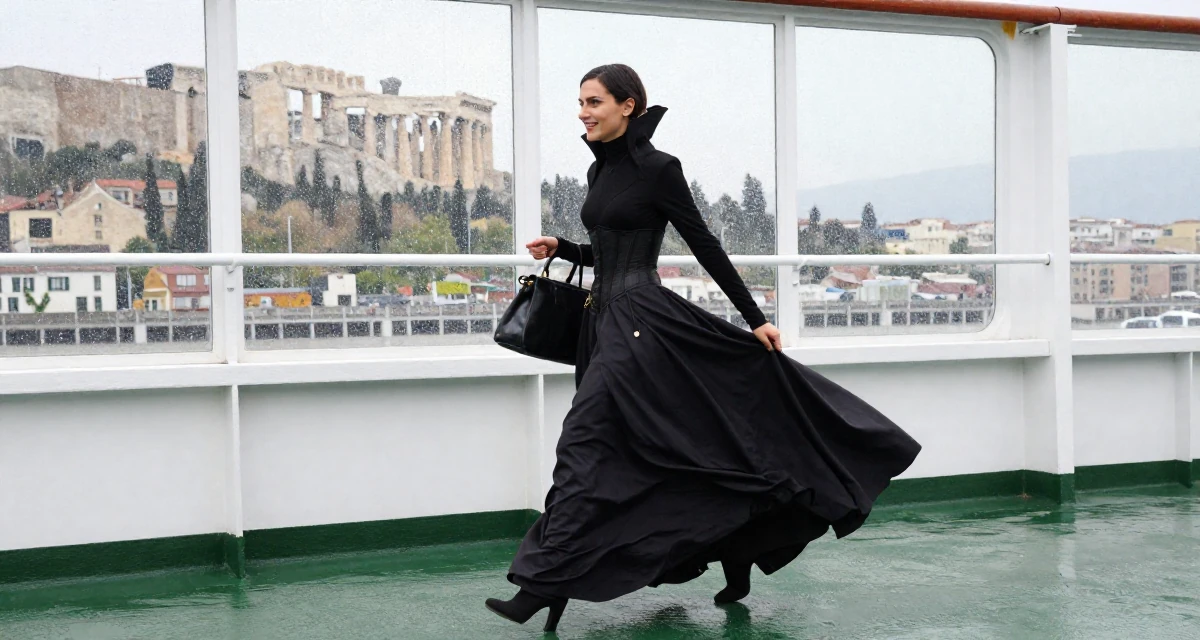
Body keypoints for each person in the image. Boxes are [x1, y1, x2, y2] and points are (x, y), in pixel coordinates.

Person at [486, 64, 921, 633]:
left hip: (642, 326)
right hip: (600, 326)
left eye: (593, 102)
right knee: (661, 453)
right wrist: (567, 247)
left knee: (583, 445)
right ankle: (735, 555)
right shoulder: (599, 170)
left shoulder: (660, 170)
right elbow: (613, 245)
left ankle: (540, 586)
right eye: (580, 103)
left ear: (628, 106)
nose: (583, 112)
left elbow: (703, 243)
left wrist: (755, 319)